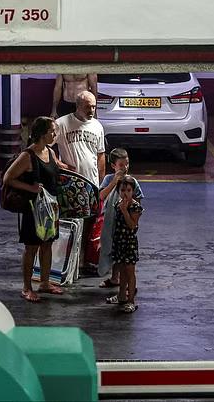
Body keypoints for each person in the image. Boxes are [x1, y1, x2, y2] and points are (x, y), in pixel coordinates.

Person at [3, 116, 68, 303]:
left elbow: (58, 169)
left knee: (47, 245)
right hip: (33, 210)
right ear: (41, 134)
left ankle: (45, 282)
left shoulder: (50, 152)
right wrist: (31, 188)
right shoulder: (28, 156)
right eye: (52, 131)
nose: (54, 135)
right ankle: (27, 287)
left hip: (50, 208)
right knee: (31, 247)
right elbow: (8, 178)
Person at [54, 91, 108, 273]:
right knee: (70, 223)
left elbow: (101, 155)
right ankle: (65, 261)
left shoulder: (97, 126)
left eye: (93, 107)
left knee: (88, 225)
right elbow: (45, 147)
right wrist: (61, 164)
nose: (91, 110)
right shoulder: (62, 124)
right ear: (78, 106)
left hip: (91, 183)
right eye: (87, 107)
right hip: (70, 185)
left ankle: (82, 260)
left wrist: (100, 181)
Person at [97, 148, 143, 290]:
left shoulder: (132, 181)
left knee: (126, 255)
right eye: (121, 165)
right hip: (111, 221)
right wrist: (114, 182)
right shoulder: (108, 179)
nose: (125, 167)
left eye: (127, 164)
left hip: (126, 223)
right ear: (113, 166)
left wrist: (131, 216)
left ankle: (128, 284)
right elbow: (101, 196)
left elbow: (138, 201)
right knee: (113, 249)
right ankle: (115, 277)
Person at [108, 176, 143, 314]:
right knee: (121, 269)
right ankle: (121, 295)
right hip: (119, 241)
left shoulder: (135, 207)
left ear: (133, 191)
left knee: (130, 271)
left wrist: (124, 211)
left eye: (128, 190)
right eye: (122, 190)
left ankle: (131, 300)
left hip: (129, 243)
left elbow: (132, 226)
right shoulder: (118, 204)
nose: (125, 193)